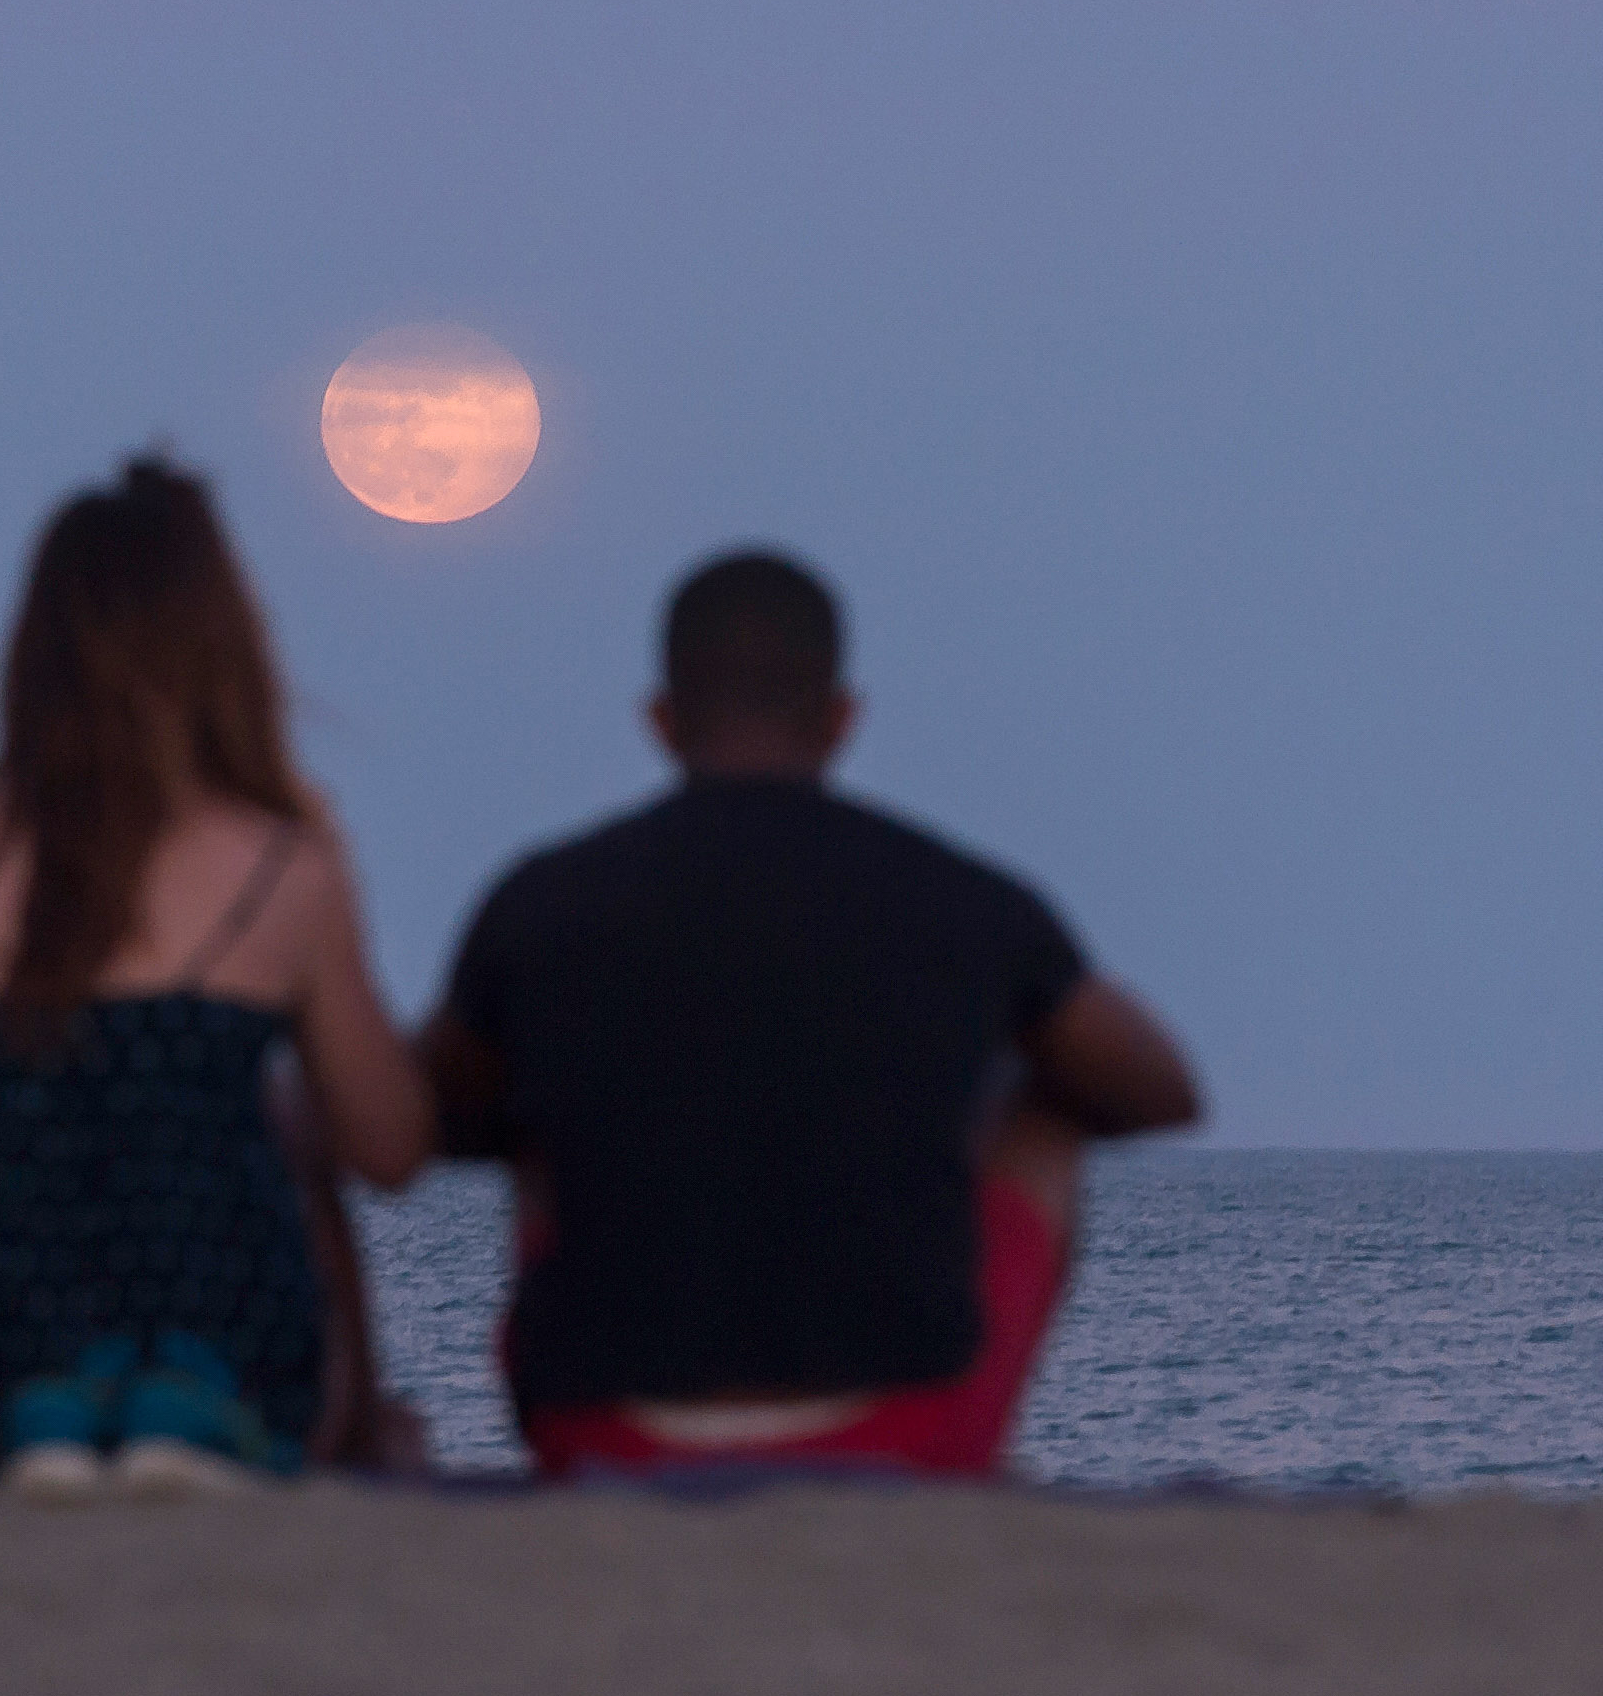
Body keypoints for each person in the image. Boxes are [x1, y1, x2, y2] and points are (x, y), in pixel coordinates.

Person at [0, 453, 432, 1495]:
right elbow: (389, 1144)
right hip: (194, 1309)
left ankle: (20, 1408)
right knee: (267, 1123)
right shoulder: (280, 864)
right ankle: (166, 1407)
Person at [418, 549, 1201, 1479]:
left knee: (537, 1128)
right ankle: (963, 1454)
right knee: (1049, 1124)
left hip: (601, 1425)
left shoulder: (543, 901)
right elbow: (1160, 1088)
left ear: (661, 721)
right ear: (842, 720)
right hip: (904, 1423)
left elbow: (420, 1108)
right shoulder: (961, 899)